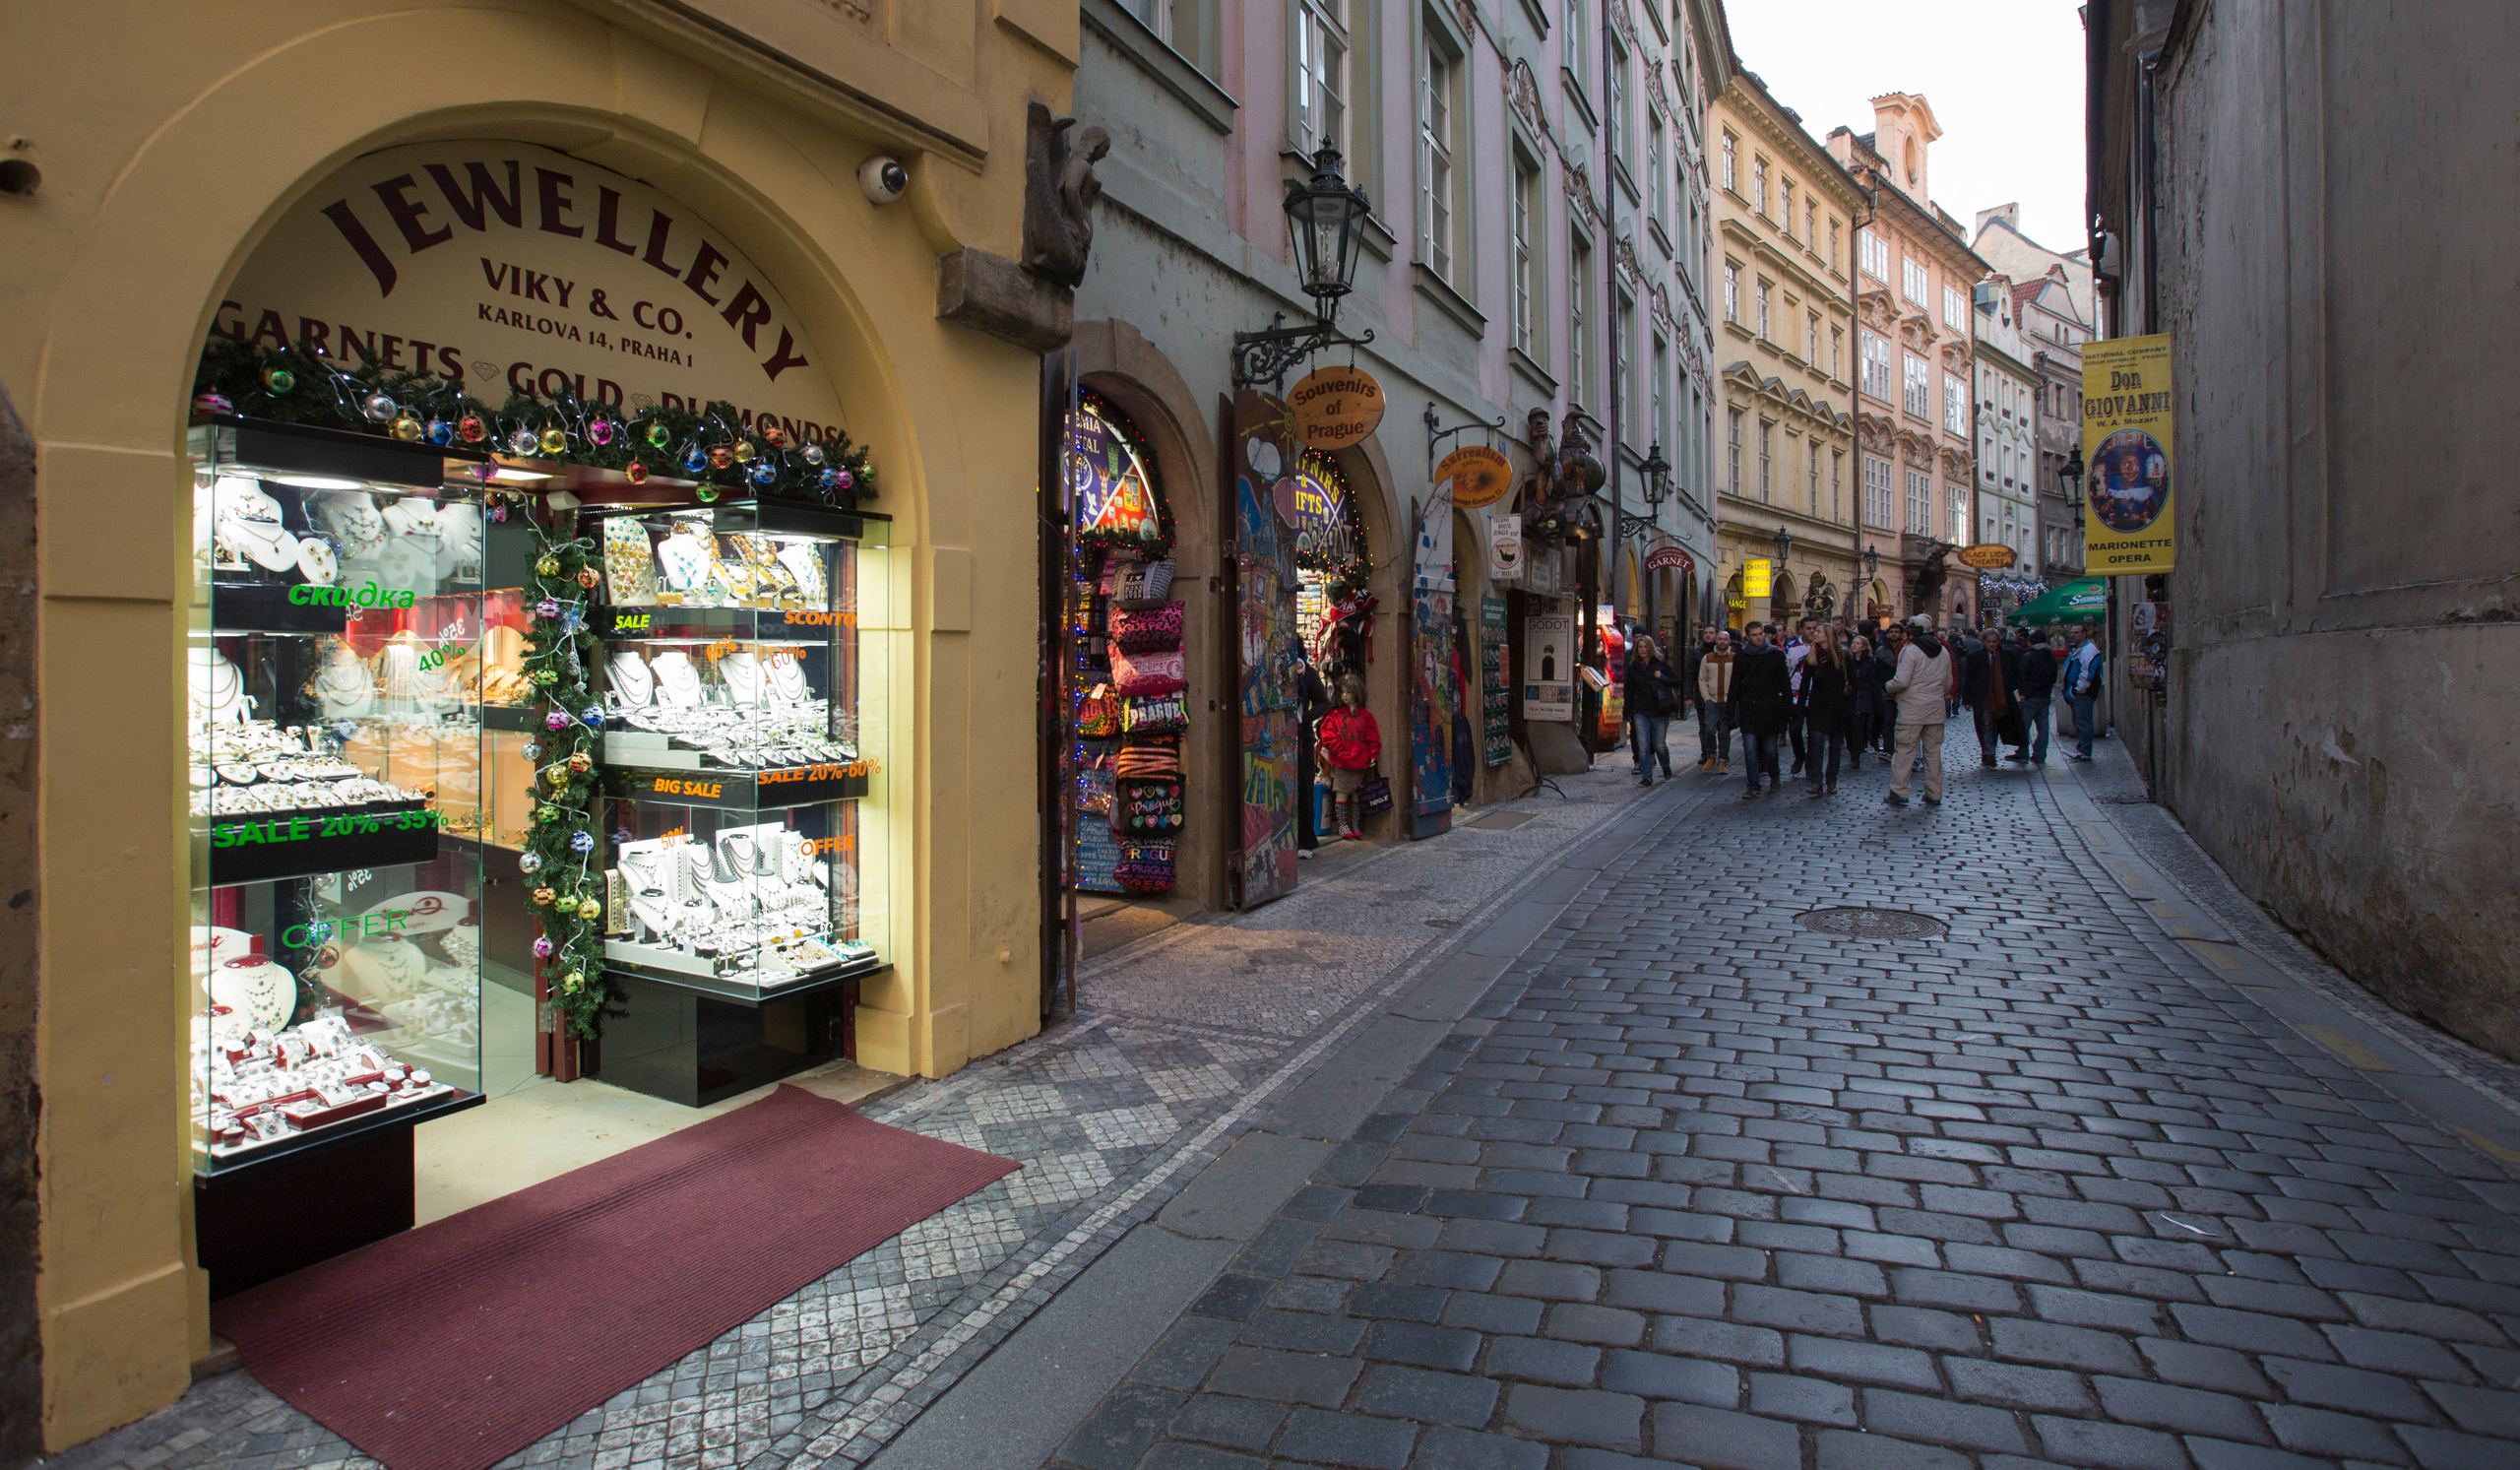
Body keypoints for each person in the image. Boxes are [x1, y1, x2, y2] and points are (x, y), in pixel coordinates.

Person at [1883, 614, 1951, 807]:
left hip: (1912, 708)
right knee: (1933, 753)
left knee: (1905, 751)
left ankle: (1899, 791)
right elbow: (1948, 683)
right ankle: (1934, 793)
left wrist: (1887, 685)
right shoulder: (1943, 651)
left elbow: (1902, 681)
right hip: (1935, 709)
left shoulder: (1910, 650)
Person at [1728, 622, 1793, 799]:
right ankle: (1753, 785)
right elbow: (1735, 685)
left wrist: (1788, 710)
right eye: (1754, 635)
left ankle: (1774, 775)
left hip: (1770, 709)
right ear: (1747, 637)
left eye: (1760, 634)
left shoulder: (1775, 655)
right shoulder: (1741, 657)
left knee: (1770, 749)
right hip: (1749, 709)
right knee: (1749, 749)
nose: (1758, 637)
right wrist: (1729, 711)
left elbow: (1785, 685)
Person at [1314, 676, 1380, 839]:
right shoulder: (1334, 715)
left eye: (1349, 692)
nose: (1345, 696)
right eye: (1342, 692)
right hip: (1342, 763)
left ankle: (1355, 824)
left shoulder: (1365, 716)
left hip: (1359, 763)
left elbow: (1372, 737)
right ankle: (1343, 825)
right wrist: (1341, 753)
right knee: (1342, 793)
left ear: (1356, 694)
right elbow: (1328, 736)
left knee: (1357, 794)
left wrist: (1372, 754)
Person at [1798, 626, 1852, 798]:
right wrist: (1800, 709)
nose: (1815, 633)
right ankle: (1816, 781)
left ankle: (1831, 781)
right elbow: (1805, 684)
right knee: (1816, 744)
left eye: (1819, 632)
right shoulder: (1812, 657)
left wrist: (1850, 707)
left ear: (1828, 635)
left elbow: (1853, 683)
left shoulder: (1843, 655)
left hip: (1837, 706)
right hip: (1817, 705)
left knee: (1835, 746)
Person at [1624, 637, 1681, 785]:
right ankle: (1646, 777)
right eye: (1640, 647)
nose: (1642, 650)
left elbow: (1677, 681)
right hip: (1640, 710)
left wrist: (1661, 677)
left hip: (1659, 709)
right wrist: (1627, 712)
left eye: (1645, 647)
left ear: (1650, 648)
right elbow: (1629, 690)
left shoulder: (1660, 663)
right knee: (1643, 746)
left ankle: (1665, 766)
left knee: (1659, 746)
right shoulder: (1634, 666)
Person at [2015, 634, 2060, 763]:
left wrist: (2022, 693)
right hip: (2045, 695)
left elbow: (2022, 677)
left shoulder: (2029, 657)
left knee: (2024, 726)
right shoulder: (2051, 657)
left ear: (2031, 642)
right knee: (2043, 727)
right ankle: (2040, 754)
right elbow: (2054, 676)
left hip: (2029, 696)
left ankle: (2023, 752)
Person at [1697, 629, 1736, 774]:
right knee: (1709, 730)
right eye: (1719, 639)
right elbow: (1702, 679)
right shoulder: (1707, 658)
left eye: (1725, 639)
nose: (1722, 642)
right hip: (1712, 701)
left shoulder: (1734, 658)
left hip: (1728, 701)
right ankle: (1711, 756)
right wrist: (1706, 698)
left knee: (1725, 733)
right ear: (1716, 641)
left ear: (1729, 641)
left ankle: (1723, 760)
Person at [2063, 623, 2104, 761]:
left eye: (2076, 632)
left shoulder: (2088, 650)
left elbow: (2087, 673)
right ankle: (2081, 748)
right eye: (2072, 632)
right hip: (2078, 692)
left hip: (2083, 693)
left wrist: (2077, 689)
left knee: (2083, 721)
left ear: (2084, 634)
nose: (2072, 635)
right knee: (2079, 720)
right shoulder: (2077, 650)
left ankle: (2085, 750)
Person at [1847, 634, 1885, 767]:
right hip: (1850, 698)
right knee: (1849, 728)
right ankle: (1852, 749)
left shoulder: (1870, 662)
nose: (1854, 645)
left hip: (1864, 697)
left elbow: (1873, 682)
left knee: (1858, 727)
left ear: (1863, 646)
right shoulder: (1848, 661)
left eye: (1858, 643)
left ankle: (1855, 756)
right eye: (1853, 643)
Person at [1685, 625, 1720, 769]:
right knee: (1705, 727)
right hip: (1703, 696)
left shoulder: (1722, 652)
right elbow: (1690, 675)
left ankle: (1721, 754)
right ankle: (1706, 753)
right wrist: (1689, 694)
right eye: (1706, 633)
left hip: (1720, 696)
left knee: (1721, 728)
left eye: (1711, 633)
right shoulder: (1696, 653)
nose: (1708, 635)